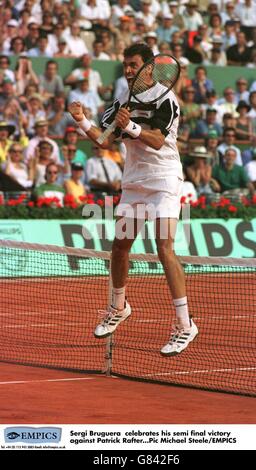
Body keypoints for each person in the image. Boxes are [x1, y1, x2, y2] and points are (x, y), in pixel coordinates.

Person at [68, 43, 198, 356]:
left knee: (164, 247)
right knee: (119, 246)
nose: (128, 70)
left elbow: (157, 140)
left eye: (133, 64)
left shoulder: (166, 99)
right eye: (125, 65)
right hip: (134, 184)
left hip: (165, 180)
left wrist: (132, 126)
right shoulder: (121, 101)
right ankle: (118, 306)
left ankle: (184, 324)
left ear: (149, 67)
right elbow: (103, 140)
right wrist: (82, 120)